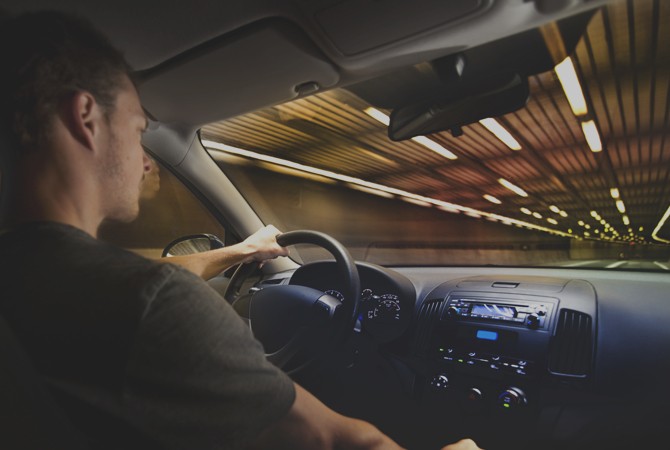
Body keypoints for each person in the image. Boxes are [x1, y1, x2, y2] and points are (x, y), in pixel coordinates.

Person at [0, 10, 481, 450]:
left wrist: (243, 250)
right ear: (86, 118)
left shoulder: (46, 279)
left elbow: (144, 277)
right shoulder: (153, 305)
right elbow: (331, 440)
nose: (147, 162)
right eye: (139, 129)